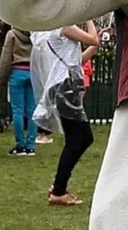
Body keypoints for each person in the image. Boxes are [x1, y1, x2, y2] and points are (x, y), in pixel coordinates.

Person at [38, 21, 103, 206]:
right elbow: (93, 39)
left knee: (84, 138)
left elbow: (78, 60)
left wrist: (94, 46)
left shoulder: (58, 29)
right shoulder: (64, 26)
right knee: (76, 140)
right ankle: (59, 190)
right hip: (65, 87)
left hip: (65, 86)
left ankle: (59, 186)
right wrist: (90, 20)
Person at [0, 13, 39, 156]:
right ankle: (31, 145)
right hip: (32, 72)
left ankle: (20, 145)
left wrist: (1, 79)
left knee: (17, 110)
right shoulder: (35, 35)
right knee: (32, 110)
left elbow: (6, 57)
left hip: (17, 72)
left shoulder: (12, 34)